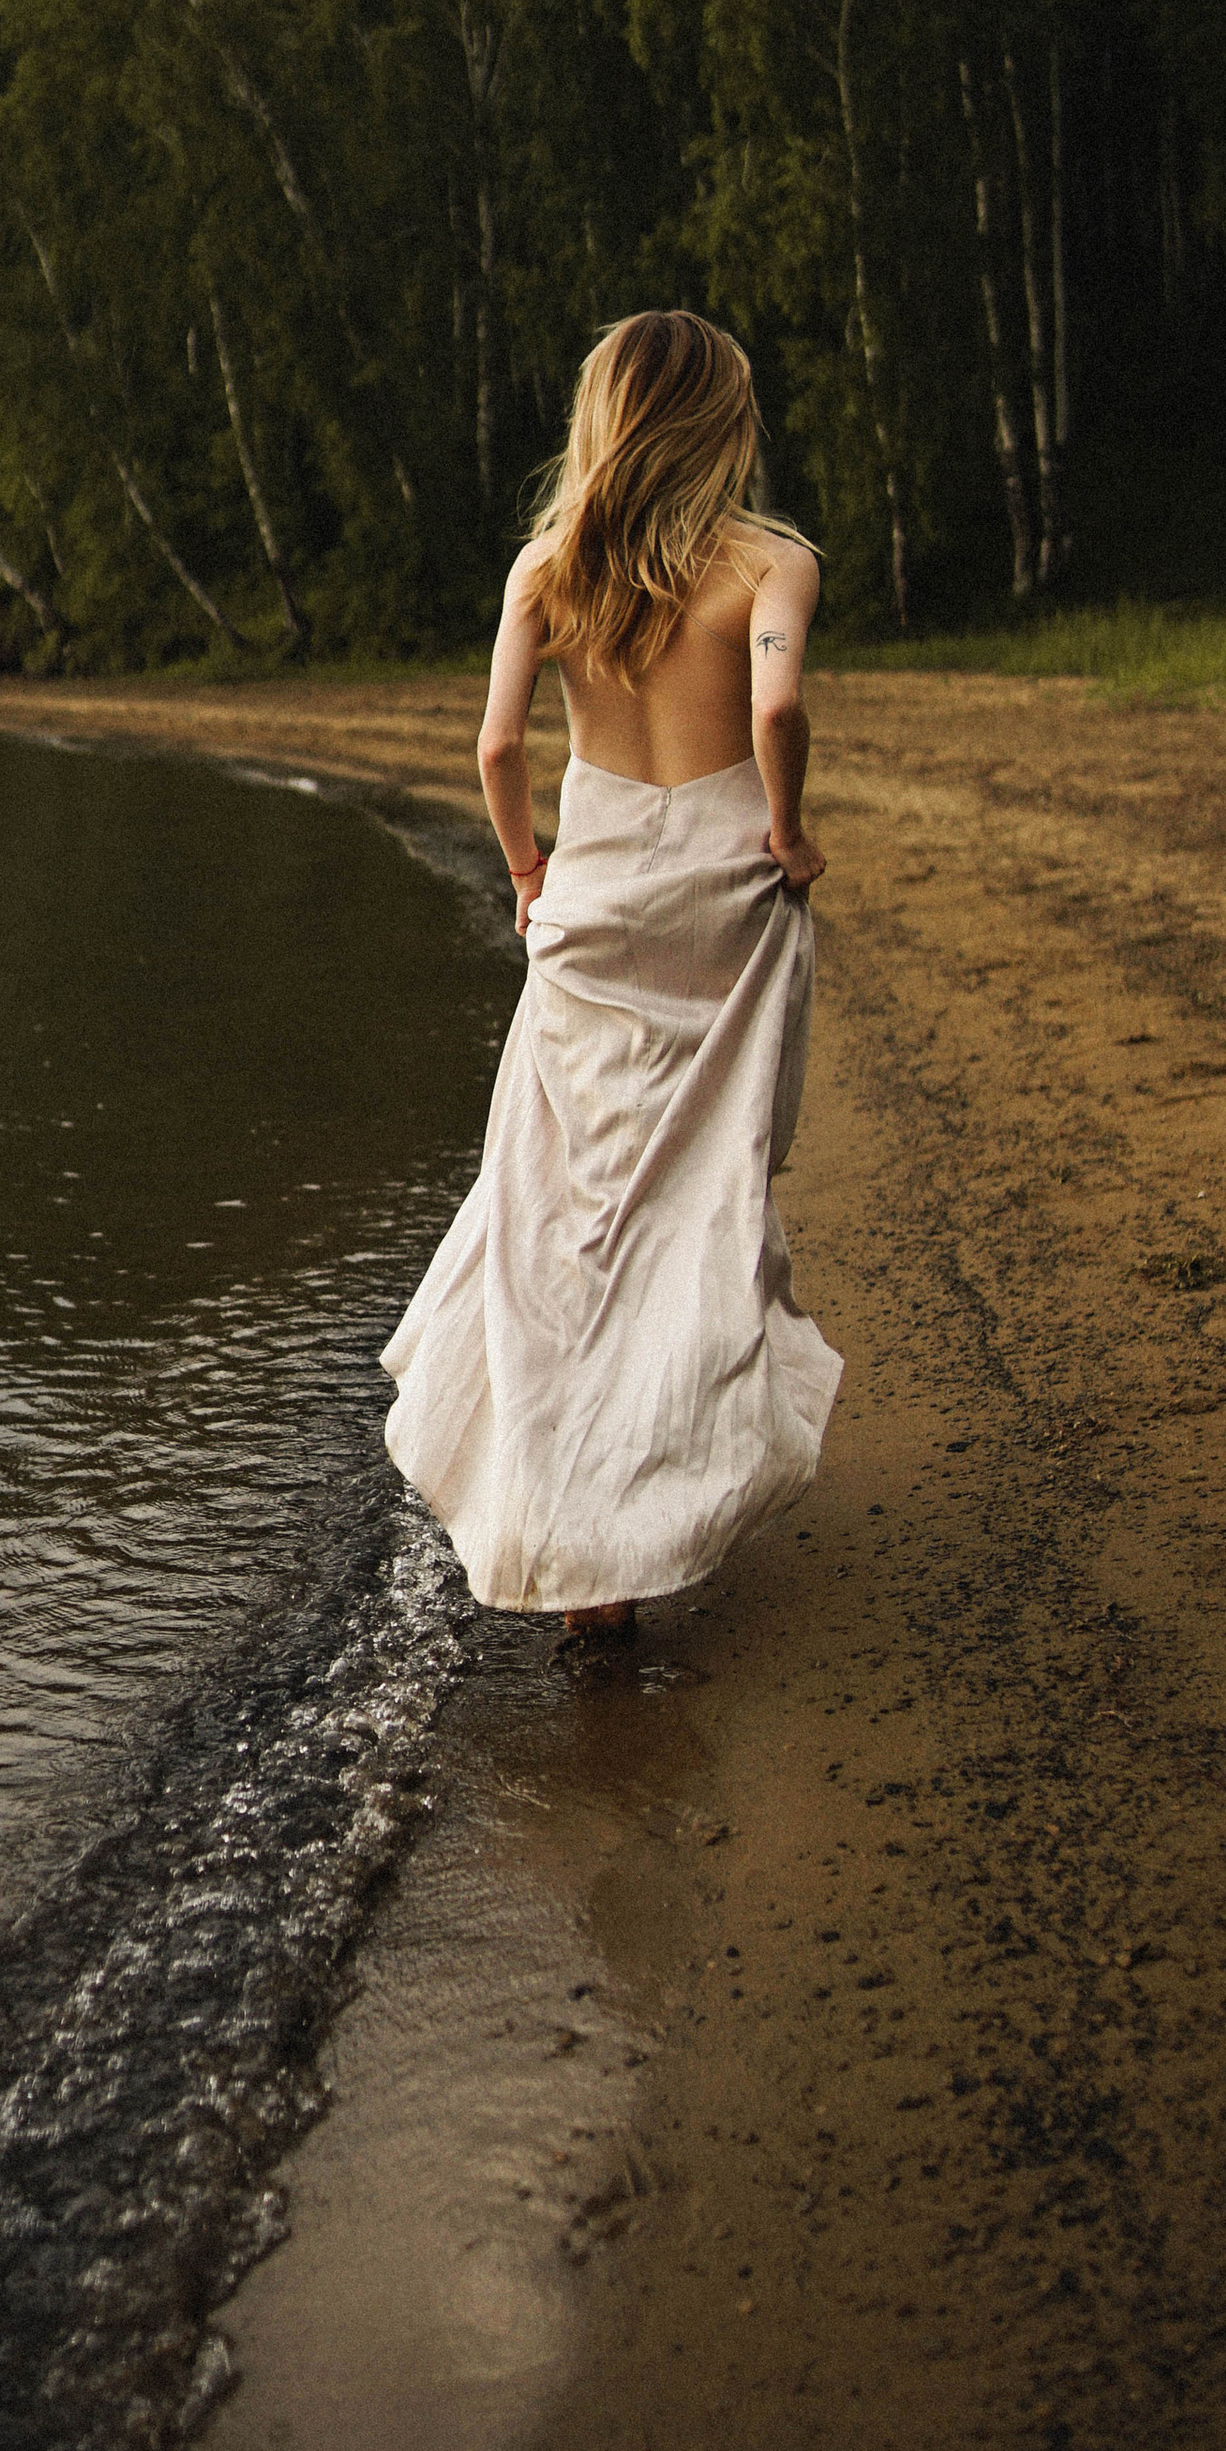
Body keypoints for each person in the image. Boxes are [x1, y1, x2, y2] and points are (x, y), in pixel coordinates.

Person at [383, 309, 843, 1642]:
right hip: (722, 894)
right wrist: (791, 827)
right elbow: (773, 712)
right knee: (698, 1188)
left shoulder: (546, 570)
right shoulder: (774, 565)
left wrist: (529, 875)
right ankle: (653, 1497)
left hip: (588, 899)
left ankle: (583, 1553)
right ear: (724, 422)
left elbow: (495, 752)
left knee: (566, 1210)